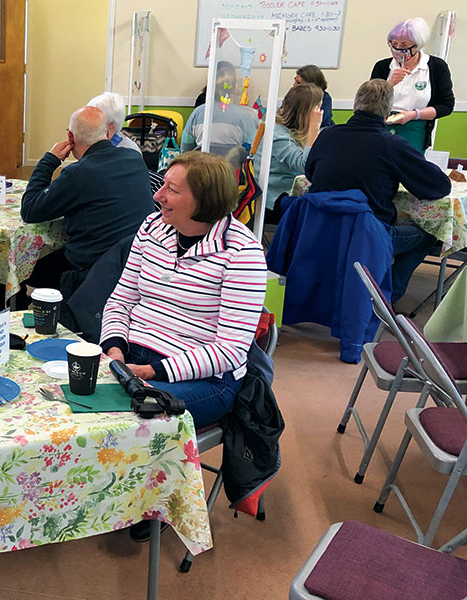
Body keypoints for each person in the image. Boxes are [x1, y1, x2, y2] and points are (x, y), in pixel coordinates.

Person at [100, 151, 267, 429]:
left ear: (204, 202)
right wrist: (114, 350)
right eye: (163, 184)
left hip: (203, 378)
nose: (158, 195)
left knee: (118, 421)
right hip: (132, 357)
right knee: (69, 392)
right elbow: (120, 301)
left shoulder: (242, 253)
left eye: (172, 190)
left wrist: (152, 372)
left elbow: (231, 351)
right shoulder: (152, 228)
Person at [306, 79, 452, 303]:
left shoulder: (326, 136)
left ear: (355, 105)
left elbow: (309, 174)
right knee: (428, 233)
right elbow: (439, 186)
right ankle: (385, 297)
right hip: (366, 234)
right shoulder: (392, 145)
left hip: (321, 228)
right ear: (388, 113)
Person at [21, 105, 154, 291]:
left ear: (70, 138)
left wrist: (49, 160)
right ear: (108, 133)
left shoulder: (77, 173)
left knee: (25, 269)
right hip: (136, 262)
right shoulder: (134, 158)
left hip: (93, 269)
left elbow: (29, 210)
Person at [370, 17, 454, 152]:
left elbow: (446, 106)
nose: (397, 49)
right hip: (382, 127)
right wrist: (389, 84)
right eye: (393, 44)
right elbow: (368, 102)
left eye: (404, 45)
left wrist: (413, 115)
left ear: (417, 45)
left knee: (409, 166)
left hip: (416, 128)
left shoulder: (436, 67)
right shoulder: (383, 66)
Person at [255, 83, 323, 218]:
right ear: (306, 111)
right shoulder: (277, 134)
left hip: (293, 191)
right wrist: (314, 128)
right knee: (319, 211)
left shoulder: (297, 129)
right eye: (318, 109)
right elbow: (304, 165)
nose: (321, 113)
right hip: (274, 198)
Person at [182, 61, 259, 153]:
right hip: (232, 166)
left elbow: (185, 149)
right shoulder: (245, 116)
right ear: (234, 87)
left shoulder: (197, 113)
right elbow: (254, 149)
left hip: (202, 165)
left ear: (209, 85)